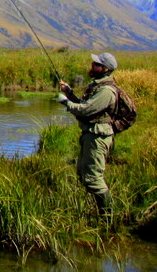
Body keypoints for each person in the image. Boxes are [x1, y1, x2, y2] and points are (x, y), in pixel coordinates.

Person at [56, 52, 118, 220]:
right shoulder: (97, 86)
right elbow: (84, 105)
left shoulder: (106, 91)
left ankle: (107, 218)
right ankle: (101, 213)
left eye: (96, 64)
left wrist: (65, 102)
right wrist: (69, 93)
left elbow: (85, 110)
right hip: (91, 135)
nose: (92, 65)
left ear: (105, 69)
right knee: (84, 174)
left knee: (93, 179)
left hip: (98, 137)